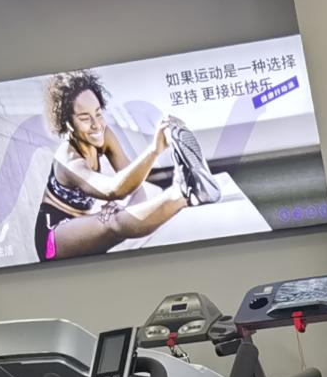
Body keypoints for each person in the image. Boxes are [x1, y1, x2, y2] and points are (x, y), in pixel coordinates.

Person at [35, 70, 215, 262]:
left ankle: (188, 191)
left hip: (81, 225)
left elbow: (135, 188)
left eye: (98, 114)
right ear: (67, 122)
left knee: (116, 219)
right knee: (112, 222)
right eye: (85, 118)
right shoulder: (68, 158)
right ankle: (184, 192)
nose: (96, 125)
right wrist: (154, 150)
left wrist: (125, 212)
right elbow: (114, 190)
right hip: (52, 240)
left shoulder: (103, 135)